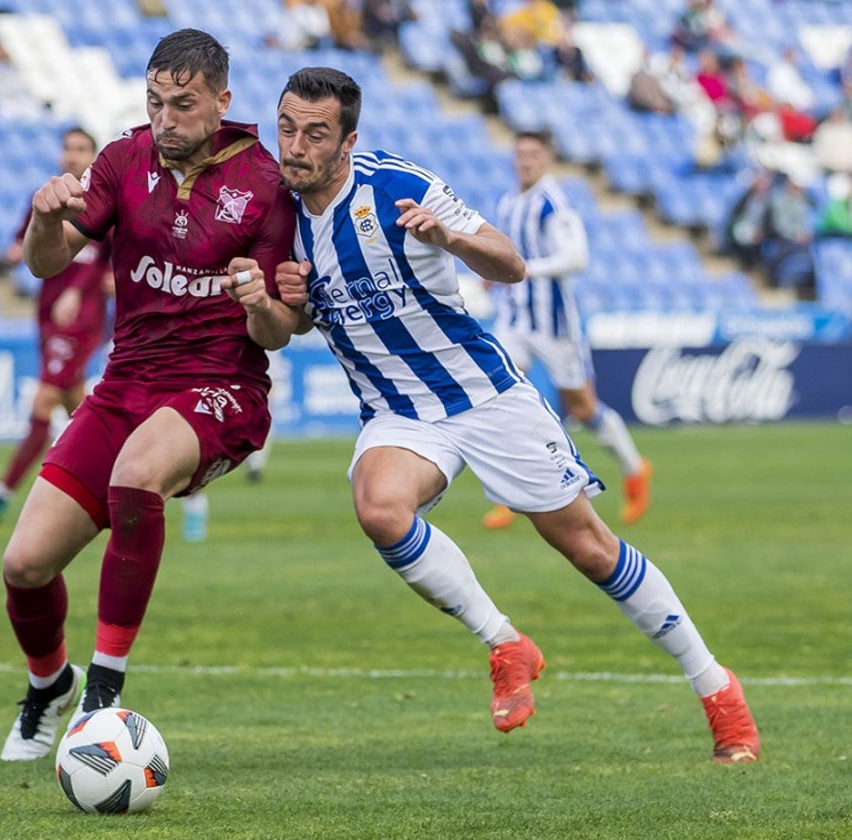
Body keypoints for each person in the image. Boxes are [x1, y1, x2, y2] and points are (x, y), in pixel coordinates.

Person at [272, 66, 759, 763]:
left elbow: (511, 263)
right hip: (397, 410)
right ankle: (506, 643)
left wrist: (451, 241)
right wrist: (279, 303)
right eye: (287, 127)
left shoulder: (397, 186)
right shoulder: (275, 212)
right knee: (379, 508)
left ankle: (717, 689)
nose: (296, 145)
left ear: (349, 140)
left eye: (315, 133)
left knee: (588, 549)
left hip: (484, 395)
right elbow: (284, 326)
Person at [0, 28, 297, 761]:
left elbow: (281, 331)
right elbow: (46, 263)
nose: (166, 119)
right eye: (156, 102)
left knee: (138, 473)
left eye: (184, 105)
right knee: (24, 566)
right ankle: (50, 685)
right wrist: (44, 216)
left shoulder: (263, 182)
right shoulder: (123, 158)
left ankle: (105, 692)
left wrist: (258, 300)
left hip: (221, 389)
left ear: (222, 101)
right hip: (124, 387)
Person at [482, 131, 651, 530]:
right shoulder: (509, 202)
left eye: (533, 155)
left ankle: (635, 469)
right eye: (520, 154)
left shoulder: (552, 204)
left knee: (582, 407)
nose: (525, 161)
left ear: (548, 160)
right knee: (499, 397)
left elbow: (576, 258)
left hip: (554, 323)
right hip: (514, 319)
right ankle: (512, 494)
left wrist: (525, 270)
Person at [0, 127, 112, 525]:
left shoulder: (104, 201)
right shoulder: (45, 198)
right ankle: (119, 481)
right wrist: (13, 251)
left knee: (43, 400)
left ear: (93, 157)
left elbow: (106, 260)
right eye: (68, 148)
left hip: (80, 318)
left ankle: (0, 494)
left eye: (81, 149)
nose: (73, 156)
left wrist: (82, 291)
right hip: (48, 314)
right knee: (76, 406)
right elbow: (23, 240)